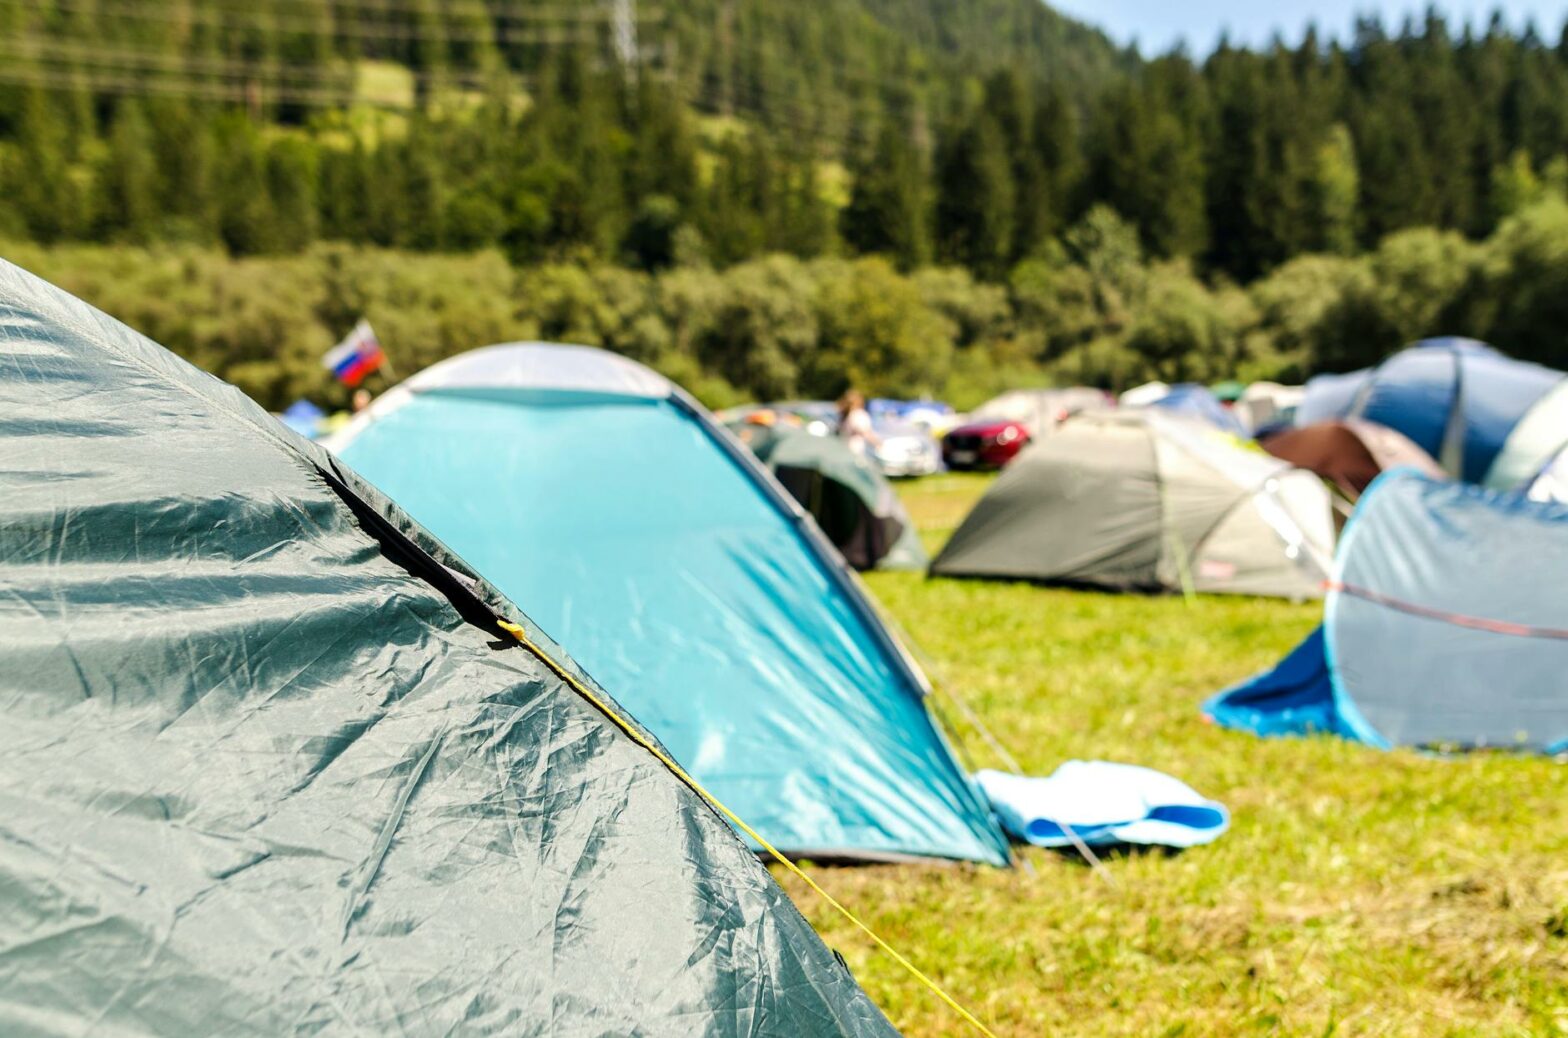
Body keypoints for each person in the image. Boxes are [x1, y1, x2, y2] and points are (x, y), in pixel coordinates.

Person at [836, 389, 881, 457]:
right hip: (854, 452)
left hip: (843, 450)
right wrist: (879, 444)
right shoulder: (858, 415)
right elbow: (865, 433)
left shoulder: (845, 415)